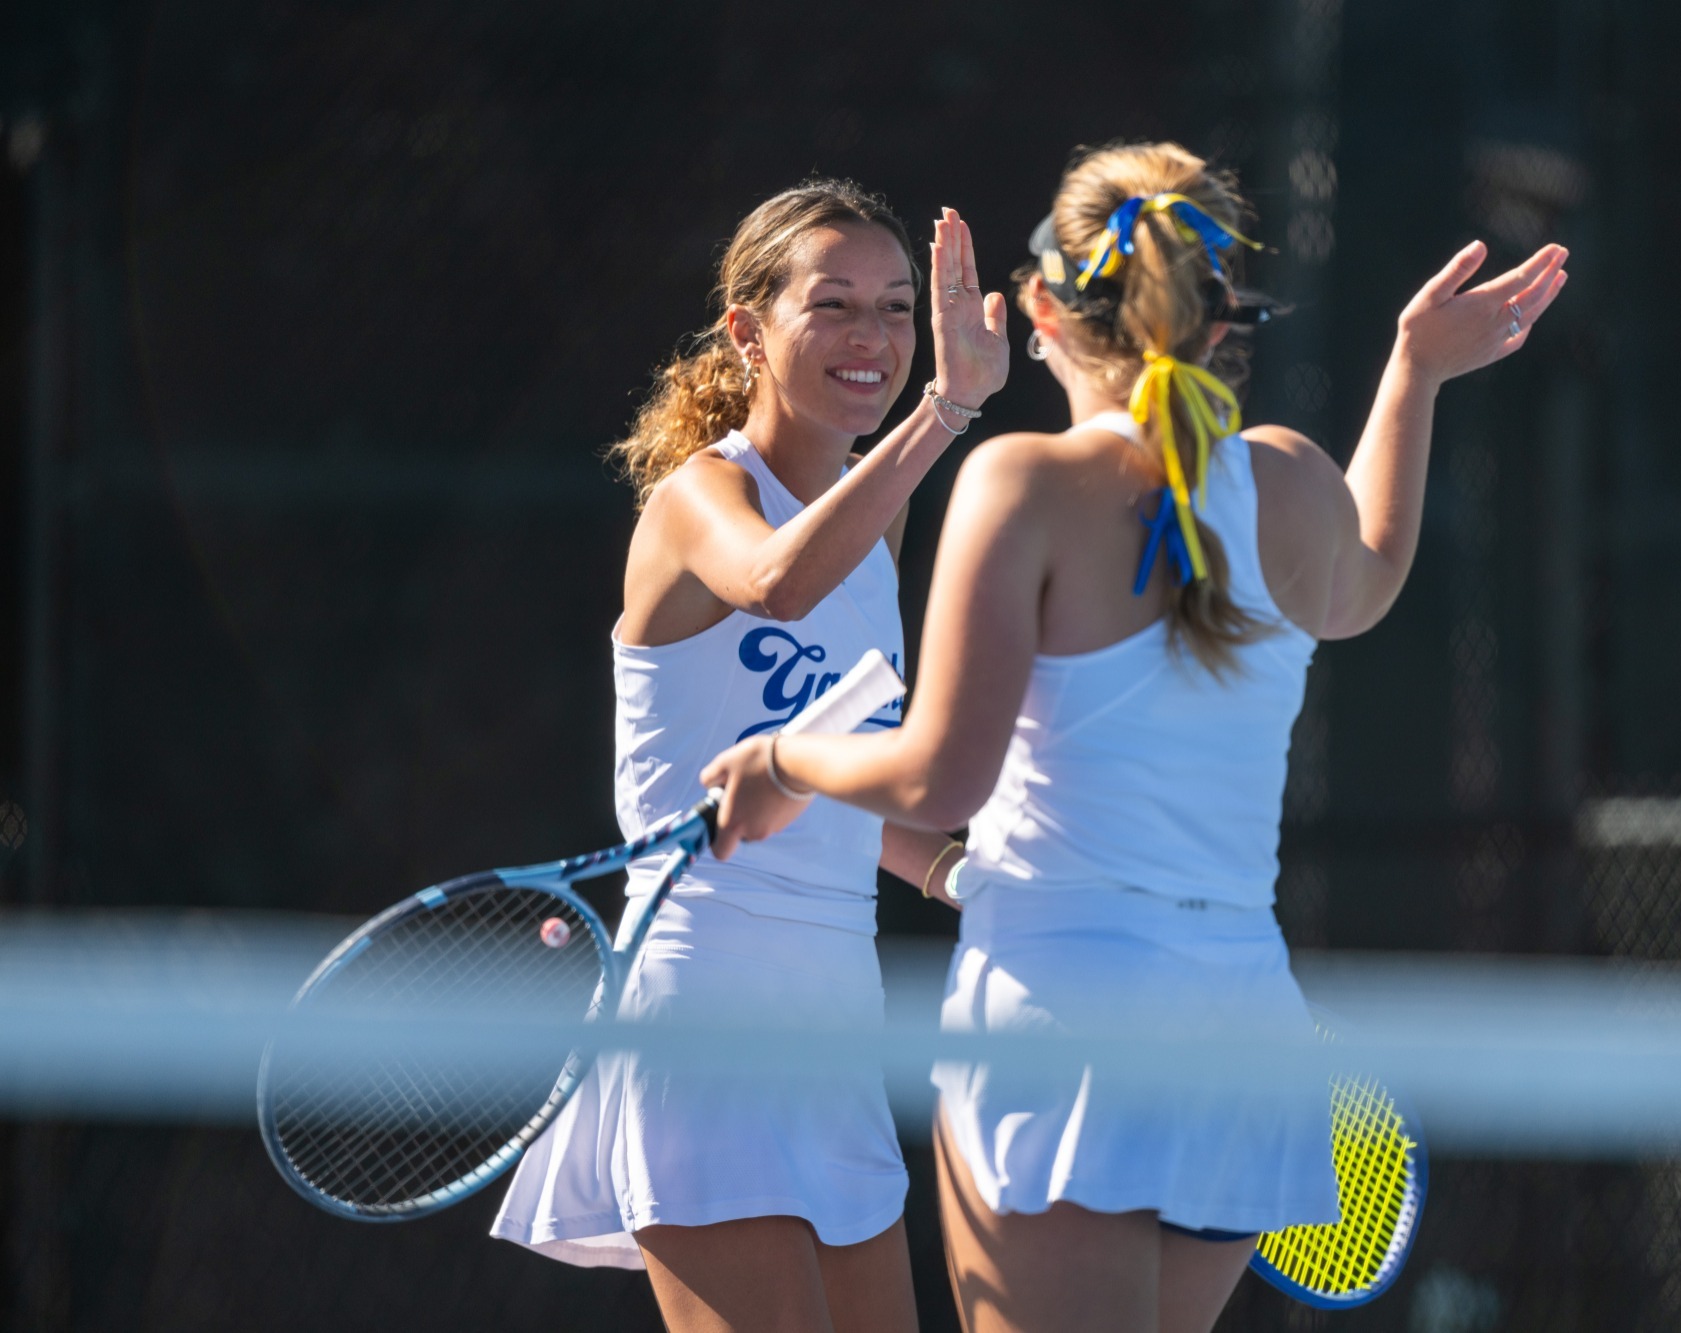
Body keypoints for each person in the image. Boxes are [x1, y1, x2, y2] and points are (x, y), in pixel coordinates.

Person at [700, 143, 1568, 1333]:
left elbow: (941, 776)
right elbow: (1365, 579)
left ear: (1043, 308)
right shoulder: (1290, 483)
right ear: (1219, 317)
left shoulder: (1020, 484)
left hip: (1065, 1028)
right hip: (1242, 1037)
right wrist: (1411, 373)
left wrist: (782, 760)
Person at [490, 178, 1008, 1333]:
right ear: (747, 332)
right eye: (833, 305)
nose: (872, 337)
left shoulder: (876, 529)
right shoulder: (699, 497)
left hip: (837, 1015)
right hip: (703, 1010)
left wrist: (961, 873)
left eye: (895, 308)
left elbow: (838, 783)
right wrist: (944, 411)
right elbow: (776, 583)